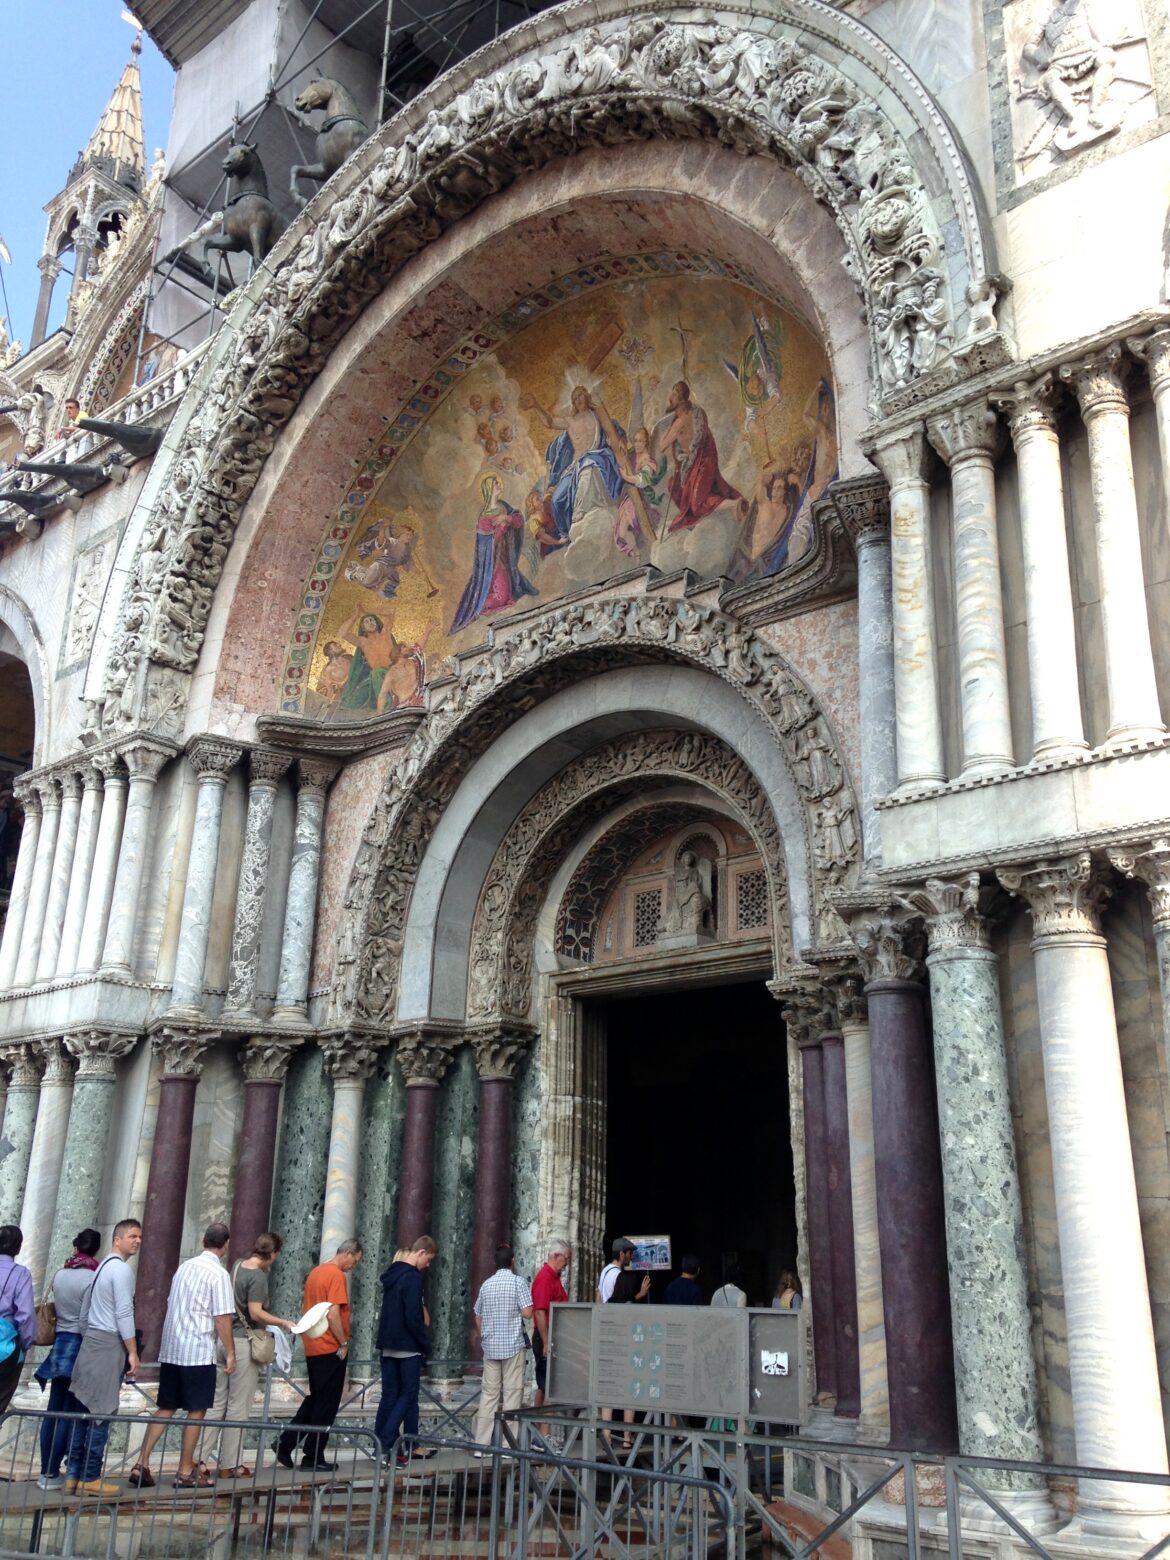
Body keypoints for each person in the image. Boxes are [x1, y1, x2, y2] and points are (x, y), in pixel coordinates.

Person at [131, 1222, 236, 1489]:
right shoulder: (219, 1274)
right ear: (225, 1245)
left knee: (166, 1406)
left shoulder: (184, 1268)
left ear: (203, 1241)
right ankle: (185, 1470)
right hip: (198, 1350)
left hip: (173, 1348)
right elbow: (222, 1318)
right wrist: (231, 1353)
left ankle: (141, 1462)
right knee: (197, 1410)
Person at [205, 1232, 295, 1478]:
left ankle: (198, 1460)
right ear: (273, 1253)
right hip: (243, 1343)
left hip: (223, 1340)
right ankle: (230, 1464)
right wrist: (283, 1322)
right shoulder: (258, 1276)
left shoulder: (236, 1266)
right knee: (238, 1405)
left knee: (216, 1403)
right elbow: (255, 1313)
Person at [65, 1218, 142, 1496]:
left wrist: (89, 1336)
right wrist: (132, 1351)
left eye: (139, 1237)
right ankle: (90, 1476)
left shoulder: (100, 1269)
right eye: (132, 1236)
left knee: (83, 1410)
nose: (137, 1241)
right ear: (117, 1239)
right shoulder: (120, 1270)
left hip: (92, 1342)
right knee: (102, 1411)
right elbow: (124, 1312)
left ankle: (72, 1475)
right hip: (108, 1342)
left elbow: (85, 1313)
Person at [276, 1237, 363, 1471]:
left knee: (316, 1399)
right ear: (347, 1253)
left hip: (313, 1345)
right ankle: (312, 1456)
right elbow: (334, 1313)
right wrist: (343, 1342)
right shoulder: (336, 1275)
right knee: (327, 1403)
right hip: (330, 1347)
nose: (353, 1265)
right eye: (355, 1261)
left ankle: (286, 1442)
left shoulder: (316, 1272)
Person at [34, 1228, 100, 1490]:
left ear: (76, 1247)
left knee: (54, 1409)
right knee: (69, 1412)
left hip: (60, 1343)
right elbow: (86, 1319)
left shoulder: (61, 1274)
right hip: (78, 1345)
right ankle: (55, 1472)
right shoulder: (92, 1278)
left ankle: (45, 1471)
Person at [375, 1235, 438, 1466]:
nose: (427, 1265)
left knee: (389, 1395)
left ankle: (377, 1445)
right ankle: (386, 1442)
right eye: (428, 1260)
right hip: (407, 1345)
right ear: (421, 1253)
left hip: (388, 1344)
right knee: (407, 1394)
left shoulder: (392, 1274)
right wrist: (425, 1344)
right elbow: (414, 1316)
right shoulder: (411, 1278)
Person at [449, 473, 539, 633]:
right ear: (489, 489)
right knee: (501, 598)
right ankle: (479, 604)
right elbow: (488, 545)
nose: (499, 485)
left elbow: (518, 520)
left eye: (498, 482)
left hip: (506, 559)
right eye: (495, 484)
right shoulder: (484, 519)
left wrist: (507, 518)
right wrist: (502, 526)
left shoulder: (503, 506)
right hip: (493, 565)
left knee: (510, 591)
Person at [471, 1246, 534, 1449]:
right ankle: (509, 1445)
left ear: (495, 1262)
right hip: (513, 1345)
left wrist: (485, 1335)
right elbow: (527, 1313)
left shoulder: (486, 1284)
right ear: (513, 1261)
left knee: (489, 1395)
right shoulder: (518, 1282)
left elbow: (477, 1315)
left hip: (491, 1347)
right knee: (512, 1394)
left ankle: (481, 1444)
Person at [531, 1240, 571, 1409]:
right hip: (545, 1336)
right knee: (549, 1387)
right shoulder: (545, 1278)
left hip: (552, 1335)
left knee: (545, 1385)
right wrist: (546, 1342)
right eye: (566, 1259)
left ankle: (539, 1428)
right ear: (556, 1256)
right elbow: (539, 1312)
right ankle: (544, 1433)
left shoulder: (554, 1277)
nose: (567, 1264)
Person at [0, 1226, 35, 1415]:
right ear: (18, 1247)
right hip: (5, 1350)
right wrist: (26, 1343)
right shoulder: (20, 1274)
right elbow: (26, 1314)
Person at [596, 1237, 635, 1303]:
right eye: (630, 1253)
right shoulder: (619, 1275)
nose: (632, 1257)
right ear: (621, 1254)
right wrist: (641, 1294)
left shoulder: (605, 1270)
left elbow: (598, 1296)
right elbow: (624, 1304)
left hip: (603, 1312)